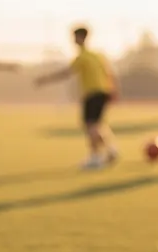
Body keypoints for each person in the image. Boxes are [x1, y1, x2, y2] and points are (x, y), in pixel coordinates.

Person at [35, 26, 120, 169]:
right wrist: (113, 90)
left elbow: (66, 73)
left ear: (80, 37)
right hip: (103, 92)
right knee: (97, 125)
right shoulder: (97, 55)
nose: (73, 40)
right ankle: (112, 150)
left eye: (75, 37)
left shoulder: (82, 57)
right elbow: (109, 73)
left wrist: (45, 79)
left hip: (92, 93)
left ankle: (95, 157)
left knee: (90, 125)